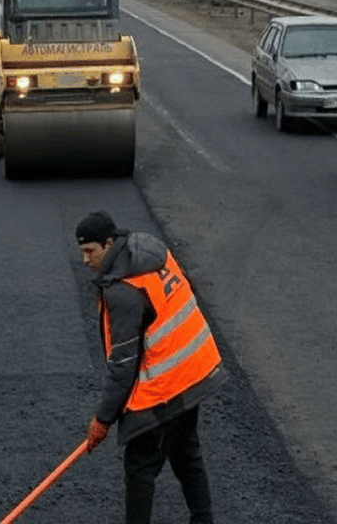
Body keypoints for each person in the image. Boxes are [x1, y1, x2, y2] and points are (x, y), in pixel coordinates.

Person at [76, 211, 223, 524]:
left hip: (168, 383)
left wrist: (103, 419)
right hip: (195, 368)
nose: (85, 260)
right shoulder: (150, 252)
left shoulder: (123, 291)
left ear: (109, 243)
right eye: (81, 253)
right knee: (185, 451)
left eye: (90, 251)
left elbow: (123, 363)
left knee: (140, 467)